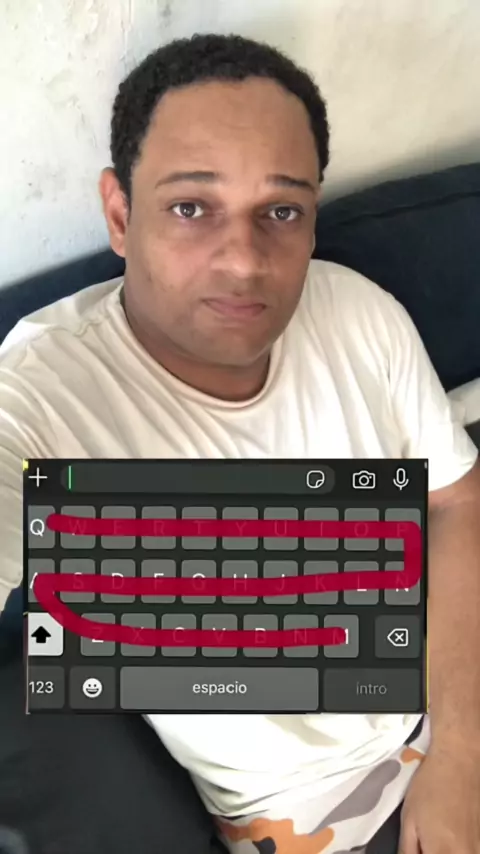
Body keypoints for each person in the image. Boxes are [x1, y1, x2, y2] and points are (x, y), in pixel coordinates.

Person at [0, 32, 479, 854]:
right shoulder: (40, 400)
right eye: (192, 207)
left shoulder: (354, 310)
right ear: (120, 214)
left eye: (281, 211)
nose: (244, 261)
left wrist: (460, 758)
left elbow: (457, 502)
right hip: (323, 818)